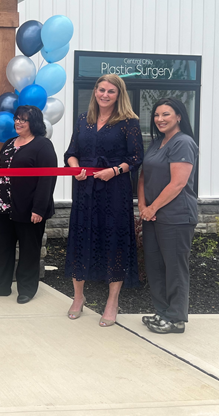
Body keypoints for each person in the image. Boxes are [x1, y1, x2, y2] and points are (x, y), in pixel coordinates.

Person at [64, 74, 143, 326]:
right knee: (81, 240)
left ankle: (112, 302)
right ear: (95, 92)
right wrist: (75, 167)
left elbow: (136, 157)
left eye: (111, 91)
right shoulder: (83, 120)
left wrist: (115, 171)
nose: (105, 95)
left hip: (114, 190)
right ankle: (78, 297)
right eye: (101, 90)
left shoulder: (129, 122)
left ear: (119, 95)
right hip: (85, 189)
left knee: (114, 243)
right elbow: (71, 152)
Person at [0, 106, 58, 304]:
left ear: (35, 122)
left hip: (28, 209)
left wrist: (39, 208)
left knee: (29, 251)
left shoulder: (43, 145)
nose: (18, 122)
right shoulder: (8, 143)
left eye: (24, 119)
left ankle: (27, 289)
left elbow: (47, 179)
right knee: (0, 248)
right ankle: (0, 286)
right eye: (17, 118)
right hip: (1, 208)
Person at [138, 97, 198, 334]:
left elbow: (178, 183)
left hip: (176, 216)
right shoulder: (156, 143)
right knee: (155, 266)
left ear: (179, 117)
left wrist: (153, 208)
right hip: (152, 216)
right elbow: (143, 177)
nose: (160, 119)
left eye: (166, 115)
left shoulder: (183, 143)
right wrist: (143, 206)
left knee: (174, 267)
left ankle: (176, 319)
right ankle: (161, 312)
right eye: (156, 115)